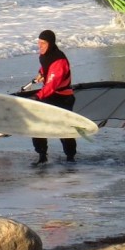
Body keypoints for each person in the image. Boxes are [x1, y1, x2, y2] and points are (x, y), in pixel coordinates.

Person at [29, 30, 76, 165]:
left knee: (64, 130)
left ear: (50, 44)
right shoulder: (46, 55)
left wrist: (37, 96)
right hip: (50, 96)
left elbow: (52, 85)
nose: (40, 46)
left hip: (63, 99)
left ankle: (70, 157)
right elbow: (46, 67)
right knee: (37, 125)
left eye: (43, 43)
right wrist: (41, 73)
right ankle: (42, 155)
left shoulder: (59, 60)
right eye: (39, 43)